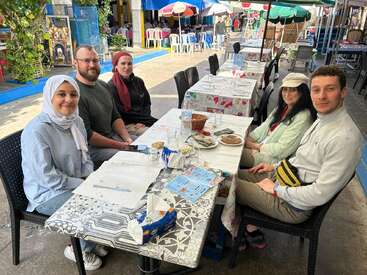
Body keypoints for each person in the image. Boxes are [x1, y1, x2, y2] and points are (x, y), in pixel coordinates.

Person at [236, 65, 362, 248]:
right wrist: (275, 167)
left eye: (330, 89)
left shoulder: (345, 137)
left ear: (343, 92)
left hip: (292, 205)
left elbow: (320, 194)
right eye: (316, 90)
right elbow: (302, 159)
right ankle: (240, 226)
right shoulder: (323, 119)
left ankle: (230, 236)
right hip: (284, 178)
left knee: (229, 186)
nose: (322, 96)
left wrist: (276, 190)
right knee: (228, 173)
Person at [21, 75, 107, 270]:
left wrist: (91, 178)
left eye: (73, 94)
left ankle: (90, 240)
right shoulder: (36, 131)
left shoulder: (75, 121)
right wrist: (82, 184)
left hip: (74, 181)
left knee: (106, 194)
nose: (68, 99)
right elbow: (47, 178)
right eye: (61, 94)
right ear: (50, 96)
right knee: (90, 206)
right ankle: (77, 249)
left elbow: (84, 156)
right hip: (46, 193)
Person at [74, 45, 133, 167]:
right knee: (130, 158)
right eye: (86, 61)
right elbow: (88, 135)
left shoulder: (103, 85)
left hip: (113, 137)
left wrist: (127, 139)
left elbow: (115, 117)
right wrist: (121, 145)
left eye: (95, 60)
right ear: (75, 63)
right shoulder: (74, 93)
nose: (92, 65)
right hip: (93, 149)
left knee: (147, 143)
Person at [241, 73, 317, 167]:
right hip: (259, 148)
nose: (287, 94)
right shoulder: (283, 107)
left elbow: (282, 150)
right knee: (231, 144)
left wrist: (254, 146)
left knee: (232, 154)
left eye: (293, 90)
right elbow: (263, 127)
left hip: (271, 160)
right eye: (285, 89)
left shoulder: (303, 117)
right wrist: (245, 140)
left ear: (302, 92)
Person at [107, 51, 157, 134]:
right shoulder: (111, 86)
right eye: (123, 63)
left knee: (164, 126)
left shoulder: (138, 81)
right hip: (127, 123)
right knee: (155, 132)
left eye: (129, 64)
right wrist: (144, 121)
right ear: (116, 66)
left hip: (143, 120)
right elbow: (121, 113)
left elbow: (147, 103)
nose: (126, 67)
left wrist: (143, 121)